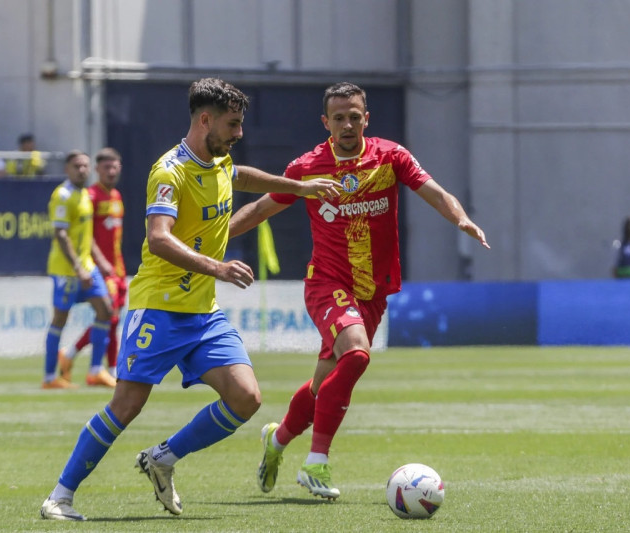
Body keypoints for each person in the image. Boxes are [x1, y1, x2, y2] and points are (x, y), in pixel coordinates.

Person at [39, 77, 339, 521]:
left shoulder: (218, 160)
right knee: (126, 405)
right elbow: (158, 239)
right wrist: (218, 267)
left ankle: (162, 458)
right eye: (233, 124)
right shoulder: (169, 172)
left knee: (246, 398)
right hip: (158, 306)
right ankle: (59, 497)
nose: (238, 133)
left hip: (203, 312)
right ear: (205, 120)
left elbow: (240, 176)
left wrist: (298, 186)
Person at [228, 81, 490, 500]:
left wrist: (460, 219)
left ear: (366, 118)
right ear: (325, 122)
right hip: (327, 282)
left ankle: (276, 441)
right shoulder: (308, 167)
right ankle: (317, 463)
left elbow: (436, 192)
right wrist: (211, 237)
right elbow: (261, 208)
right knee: (356, 354)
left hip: (373, 290)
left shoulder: (390, 156)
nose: (347, 124)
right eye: (339, 117)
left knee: (324, 384)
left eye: (354, 116)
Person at [42, 150, 116, 389]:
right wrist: (78, 268)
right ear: (67, 169)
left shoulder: (84, 194)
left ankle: (95, 371)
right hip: (66, 270)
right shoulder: (62, 195)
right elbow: (61, 234)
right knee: (60, 319)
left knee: (106, 310)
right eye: (77, 166)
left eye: (85, 165)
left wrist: (100, 261)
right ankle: (50, 377)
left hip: (87, 266)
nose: (82, 170)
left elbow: (86, 235)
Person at [59, 147, 126, 380]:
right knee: (109, 315)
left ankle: (99, 365)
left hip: (118, 267)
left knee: (113, 318)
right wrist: (100, 262)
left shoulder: (116, 197)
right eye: (106, 167)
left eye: (115, 167)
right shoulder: (91, 196)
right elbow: (87, 236)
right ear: (97, 169)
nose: (111, 171)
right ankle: (105, 367)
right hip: (101, 268)